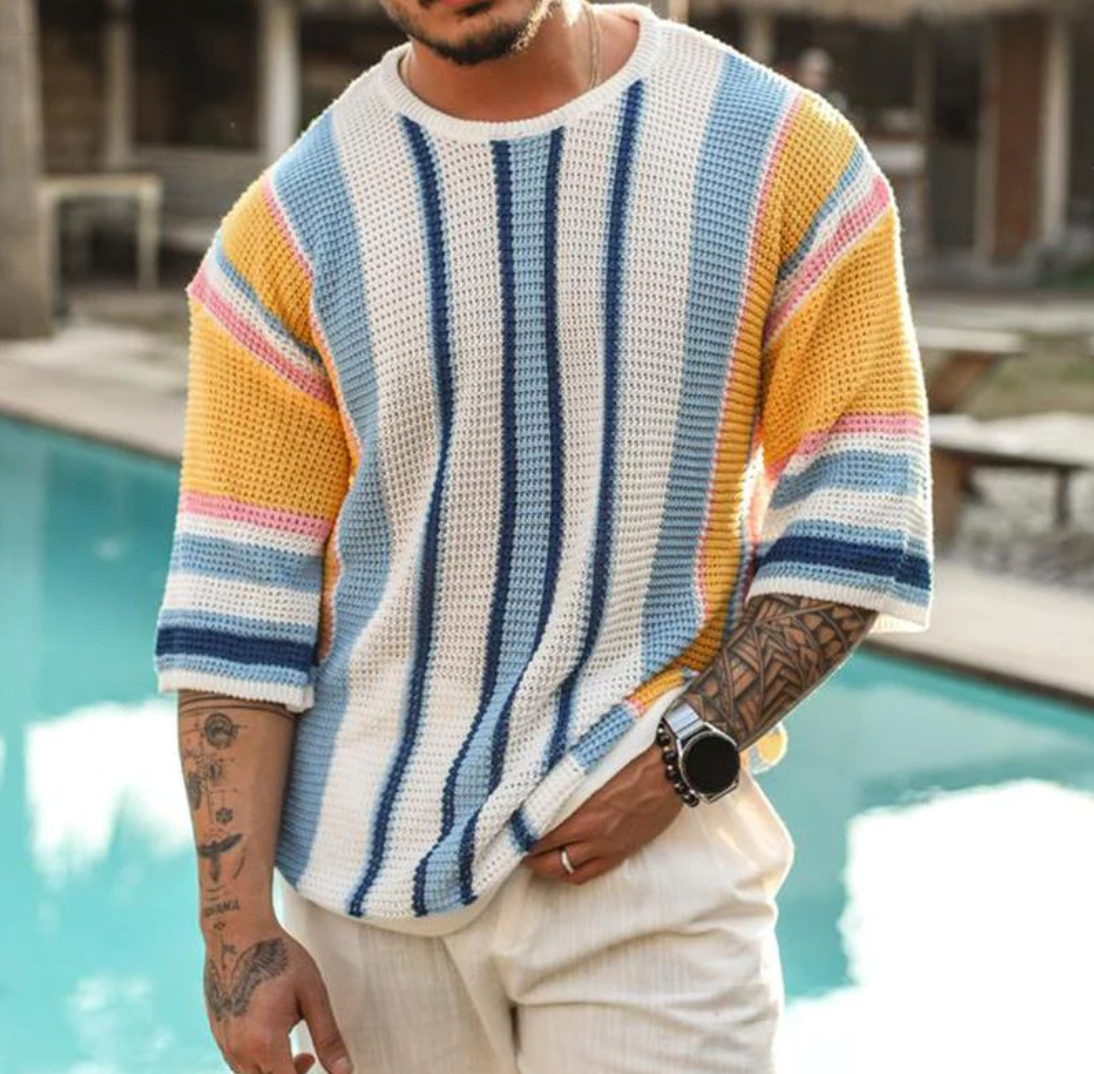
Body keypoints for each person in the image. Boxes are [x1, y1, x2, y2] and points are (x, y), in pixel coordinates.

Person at [154, 1, 933, 1071]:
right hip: (363, 908)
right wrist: (235, 935)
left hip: (653, 866)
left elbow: (859, 506)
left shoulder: (783, 156)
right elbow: (240, 604)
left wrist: (685, 758)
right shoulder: (286, 227)